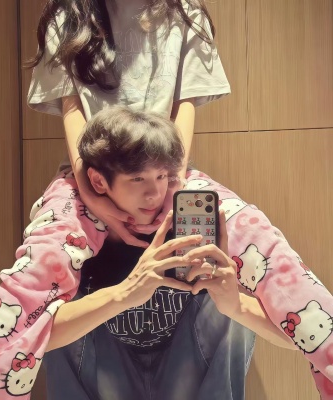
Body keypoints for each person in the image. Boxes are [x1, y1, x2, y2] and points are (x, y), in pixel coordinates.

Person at [0, 0, 332, 398]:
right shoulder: (67, 16)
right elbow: (72, 112)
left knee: (259, 240)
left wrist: (170, 183)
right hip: (93, 174)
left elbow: (185, 108)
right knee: (36, 272)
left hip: (171, 171)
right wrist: (92, 192)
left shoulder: (186, 13)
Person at [43, 106, 295, 400]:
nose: (154, 194)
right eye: (137, 179)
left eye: (162, 176)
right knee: (59, 304)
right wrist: (125, 293)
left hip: (184, 367)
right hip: (108, 370)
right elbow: (31, 339)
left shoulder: (189, 222)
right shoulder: (74, 232)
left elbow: (295, 338)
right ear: (99, 181)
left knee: (226, 299)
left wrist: (236, 305)